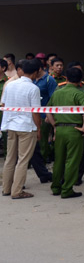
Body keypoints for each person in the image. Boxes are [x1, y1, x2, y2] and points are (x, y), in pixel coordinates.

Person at [1, 58, 43, 199]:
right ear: (36, 72)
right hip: (26, 126)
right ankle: (17, 191)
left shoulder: (10, 85)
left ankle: (6, 188)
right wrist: (39, 129)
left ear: (22, 70)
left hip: (11, 125)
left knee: (10, 158)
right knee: (23, 160)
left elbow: (4, 104)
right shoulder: (33, 88)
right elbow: (35, 112)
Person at [47, 67, 84, 199]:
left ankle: (56, 187)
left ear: (66, 78)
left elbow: (48, 111)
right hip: (74, 130)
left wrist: (54, 125)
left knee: (59, 159)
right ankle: (67, 189)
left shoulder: (57, 93)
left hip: (60, 129)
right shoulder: (79, 94)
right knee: (72, 160)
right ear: (80, 80)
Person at [31, 57, 56, 179]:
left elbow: (53, 99)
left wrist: (49, 115)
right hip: (32, 116)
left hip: (44, 116)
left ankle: (44, 165)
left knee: (43, 143)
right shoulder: (31, 80)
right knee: (35, 144)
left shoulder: (49, 80)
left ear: (39, 69)